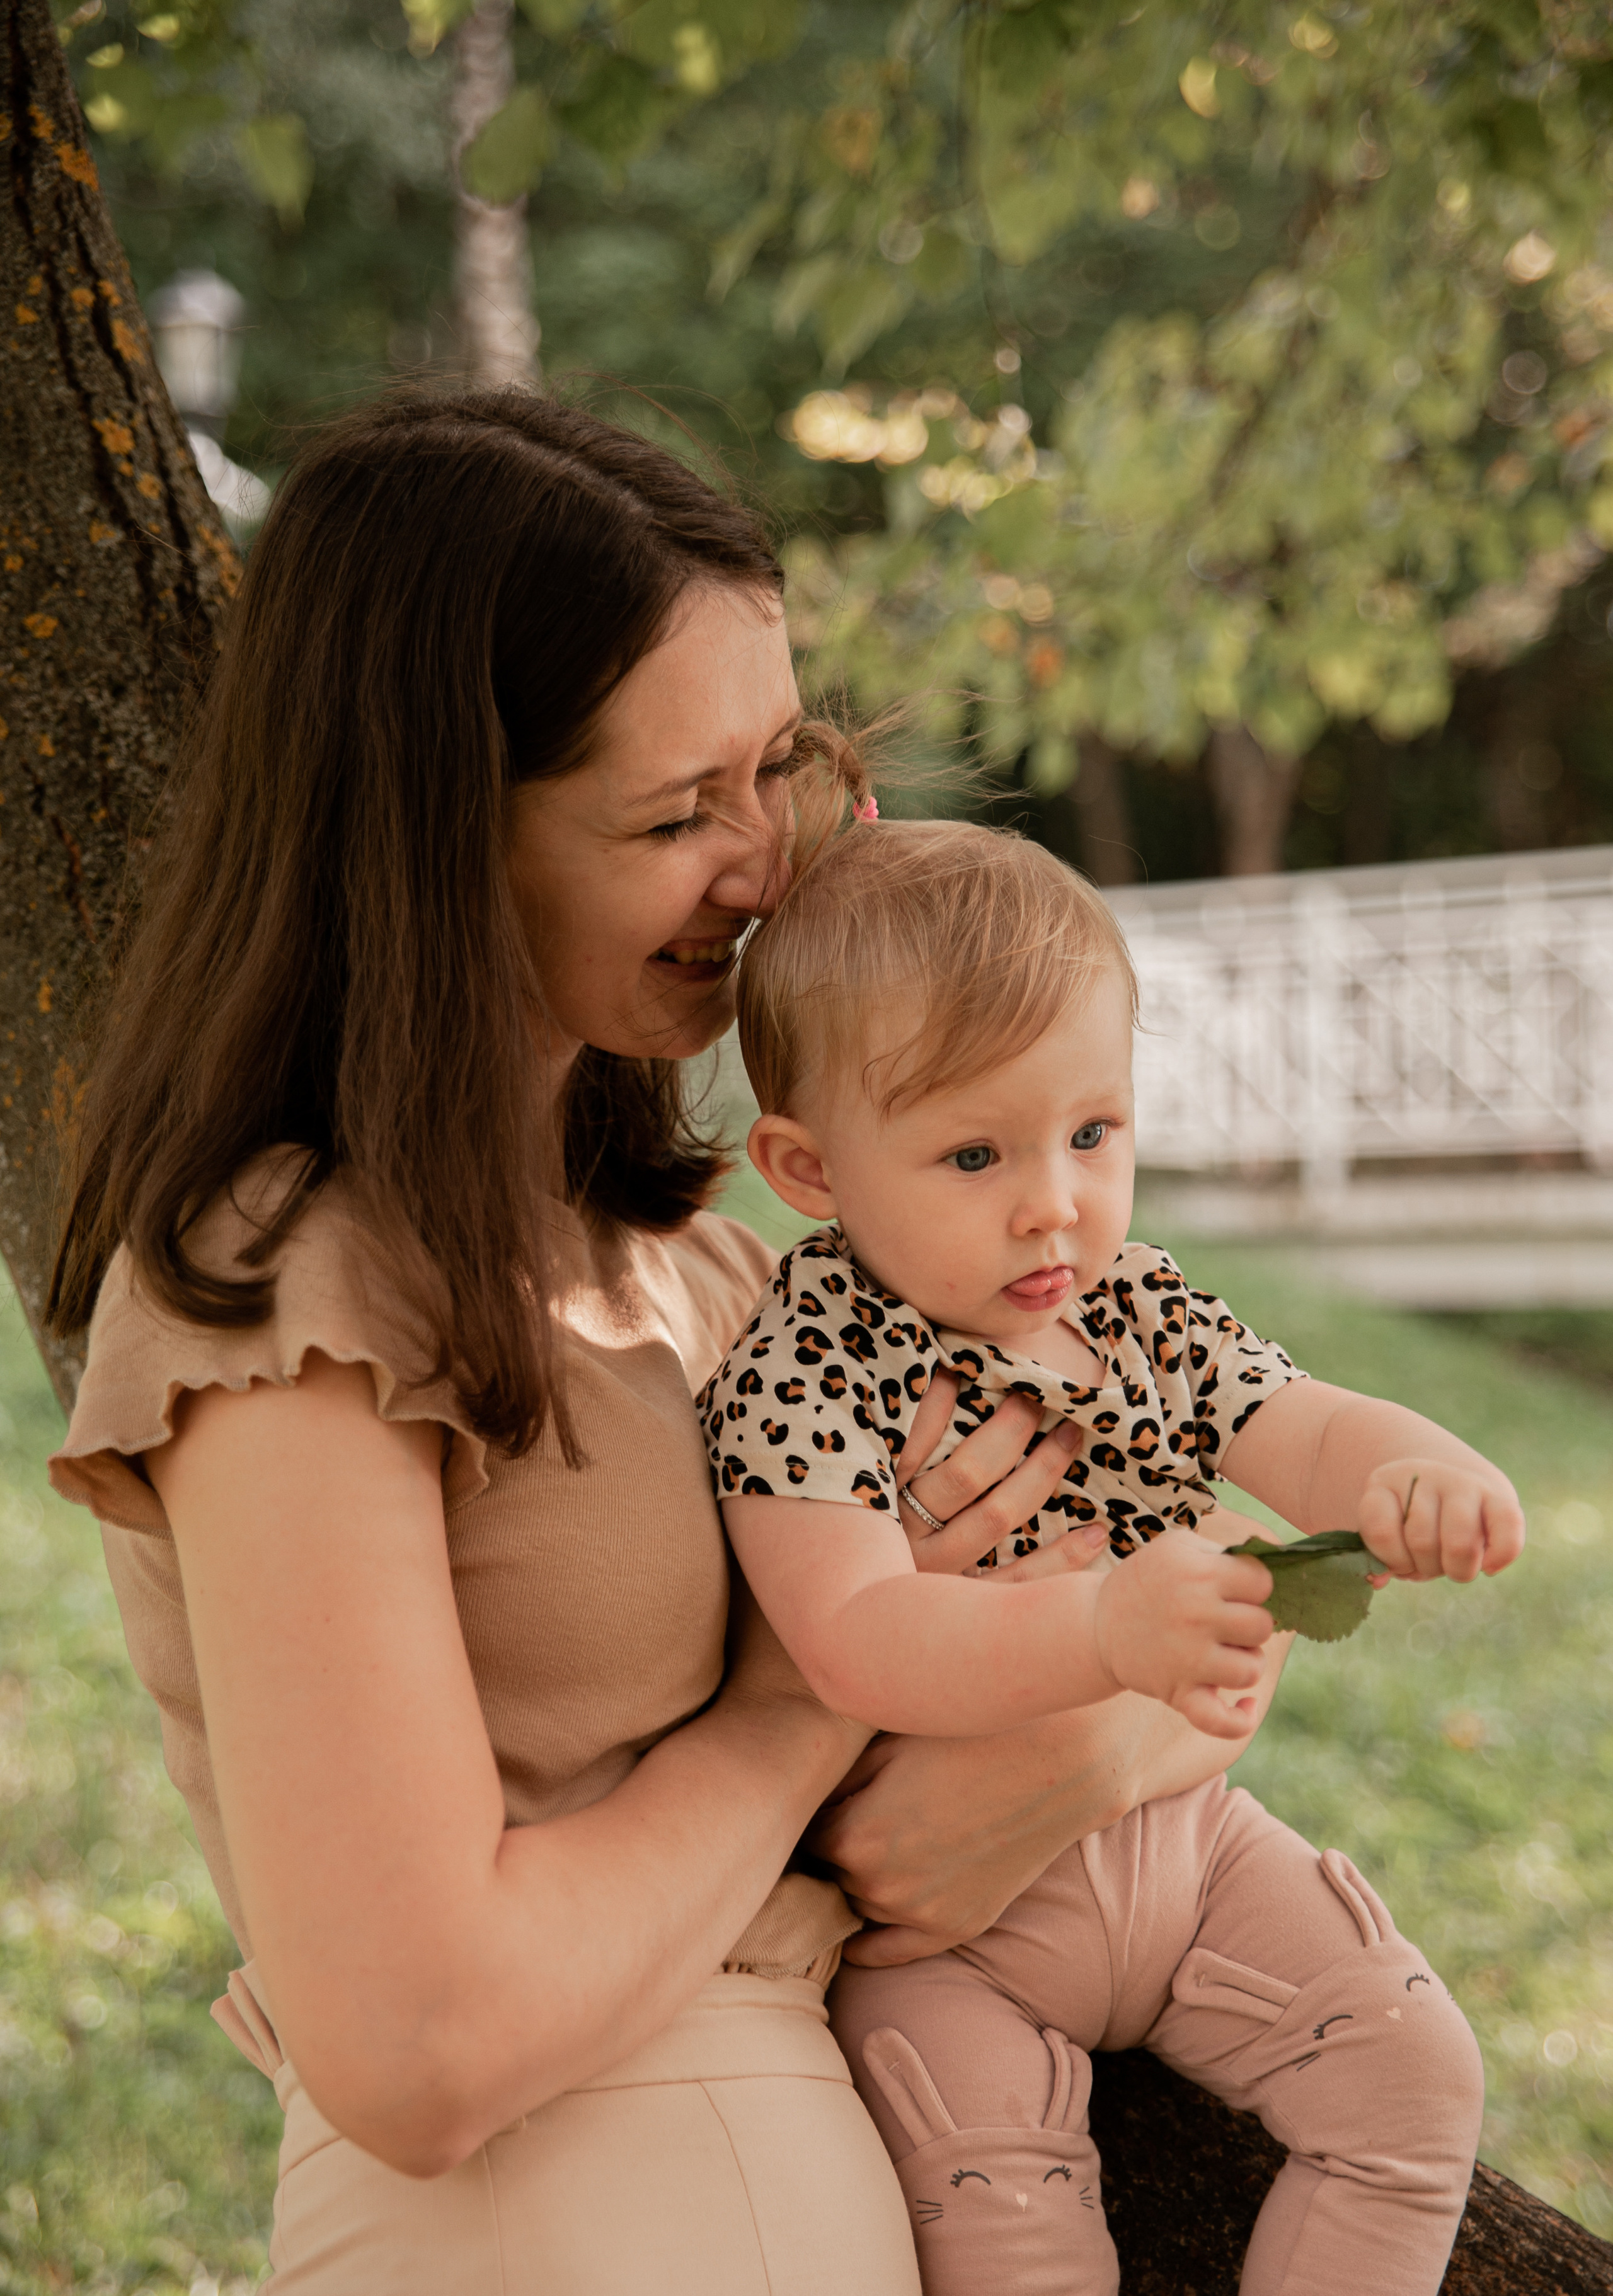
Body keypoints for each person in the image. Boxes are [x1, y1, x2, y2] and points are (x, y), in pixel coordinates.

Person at [40, 389, 1292, 2293]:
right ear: (439, 835)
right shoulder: (294, 1293)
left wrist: (1096, 1723)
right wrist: (813, 1702)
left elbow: (1112, 1596)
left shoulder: (711, 1256)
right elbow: (421, 2045)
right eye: (672, 811)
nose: (766, 861)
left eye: (775, 770)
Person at [701, 816, 1525, 2296]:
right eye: (973, 1151)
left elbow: (1303, 1423)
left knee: (1413, 2083)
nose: (1054, 1200)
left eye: (1092, 1132)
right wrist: (1100, 1629)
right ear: (807, 1165)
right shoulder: (805, 1365)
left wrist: (1420, 1473)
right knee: (1010, 2234)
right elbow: (852, 1633)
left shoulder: (1137, 1308)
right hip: (950, 1939)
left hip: (1194, 1855)